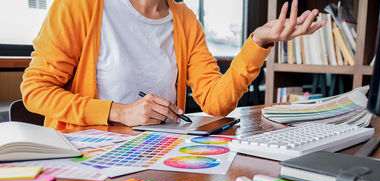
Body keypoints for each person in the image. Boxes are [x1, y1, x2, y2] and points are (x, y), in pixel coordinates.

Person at [21, 0, 325, 130]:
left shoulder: (184, 19)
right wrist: (119, 112)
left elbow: (216, 102)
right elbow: (35, 90)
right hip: (87, 160)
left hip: (158, 156)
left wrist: (258, 41)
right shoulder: (80, 6)